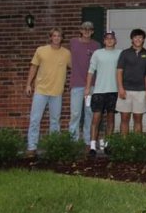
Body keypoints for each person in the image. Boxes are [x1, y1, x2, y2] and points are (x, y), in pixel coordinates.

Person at [25, 27, 72, 155]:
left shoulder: (66, 53)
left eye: (59, 36)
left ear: (62, 38)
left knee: (55, 121)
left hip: (57, 92)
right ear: (50, 37)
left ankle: (53, 147)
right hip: (40, 91)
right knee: (35, 119)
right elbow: (33, 67)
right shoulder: (41, 50)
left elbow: (75, 68)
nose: (56, 38)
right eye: (54, 35)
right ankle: (31, 147)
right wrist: (28, 84)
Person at [86, 30, 120, 156]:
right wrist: (87, 88)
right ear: (104, 41)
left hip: (114, 91)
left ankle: (107, 144)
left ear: (115, 40)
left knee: (110, 119)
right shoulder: (97, 53)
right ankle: (92, 146)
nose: (109, 40)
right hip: (99, 91)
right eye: (107, 38)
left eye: (112, 38)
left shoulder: (120, 53)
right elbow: (91, 71)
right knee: (96, 118)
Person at [68, 21, 100, 145]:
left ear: (92, 32)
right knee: (75, 114)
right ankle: (73, 141)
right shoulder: (73, 42)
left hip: (91, 85)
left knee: (89, 113)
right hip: (77, 84)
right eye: (84, 29)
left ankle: (88, 141)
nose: (86, 31)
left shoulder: (96, 45)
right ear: (80, 30)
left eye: (89, 29)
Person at [116, 28, 146, 135]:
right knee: (124, 118)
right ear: (132, 39)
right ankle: (124, 143)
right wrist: (120, 88)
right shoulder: (125, 53)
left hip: (141, 91)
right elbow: (119, 71)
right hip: (126, 90)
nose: (138, 39)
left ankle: (136, 143)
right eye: (135, 37)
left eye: (140, 37)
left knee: (138, 119)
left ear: (143, 39)